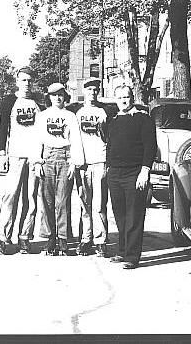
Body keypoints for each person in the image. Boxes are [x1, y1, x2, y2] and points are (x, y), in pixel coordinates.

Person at [106, 85, 157, 269]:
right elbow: (110, 146)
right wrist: (108, 168)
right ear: (116, 100)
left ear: (132, 97)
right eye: (120, 98)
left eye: (126, 97)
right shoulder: (113, 121)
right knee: (119, 214)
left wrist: (145, 170)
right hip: (115, 173)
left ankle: (132, 256)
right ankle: (122, 250)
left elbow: (150, 146)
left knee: (134, 215)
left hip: (135, 173)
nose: (123, 101)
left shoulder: (144, 120)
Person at [0, 67, 44, 255]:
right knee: (10, 196)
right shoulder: (9, 101)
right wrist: (2, 152)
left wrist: (40, 156)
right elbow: (3, 126)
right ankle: (2, 237)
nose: (27, 84)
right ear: (17, 81)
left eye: (30, 80)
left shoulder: (38, 102)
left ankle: (24, 237)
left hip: (33, 156)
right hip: (15, 154)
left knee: (30, 197)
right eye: (23, 80)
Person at [34, 83, 84, 256]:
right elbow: (37, 140)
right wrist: (37, 162)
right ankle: (50, 238)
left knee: (62, 201)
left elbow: (76, 140)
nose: (57, 98)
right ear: (49, 97)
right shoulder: (42, 116)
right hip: (47, 158)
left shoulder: (70, 116)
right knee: (46, 201)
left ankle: (63, 239)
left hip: (64, 157)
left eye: (61, 95)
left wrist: (74, 163)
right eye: (54, 95)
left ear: (65, 96)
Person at [69, 78, 112, 257]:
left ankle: (101, 240)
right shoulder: (76, 111)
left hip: (100, 160)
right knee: (84, 203)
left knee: (99, 203)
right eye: (89, 90)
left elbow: (110, 137)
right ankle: (86, 239)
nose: (92, 93)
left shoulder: (105, 111)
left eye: (95, 90)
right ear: (84, 91)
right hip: (82, 162)